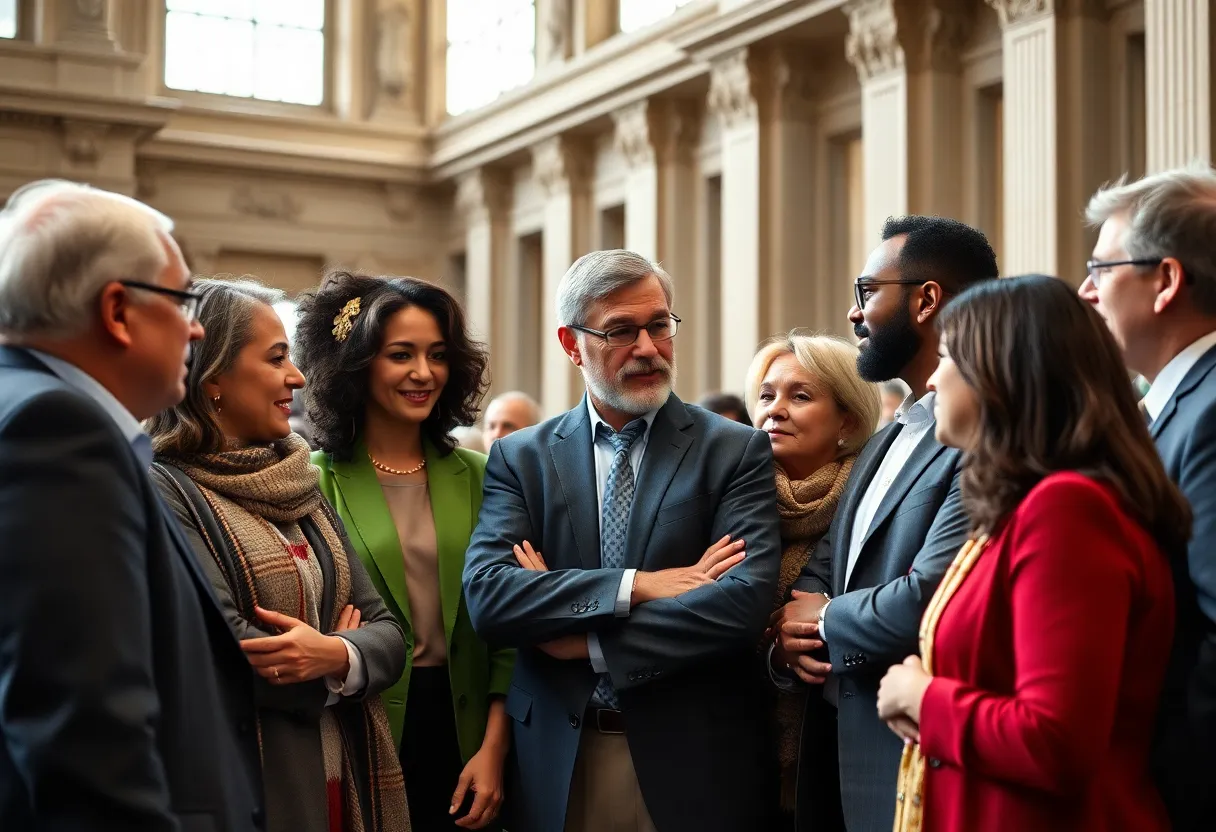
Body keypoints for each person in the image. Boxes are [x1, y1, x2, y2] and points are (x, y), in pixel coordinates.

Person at [462, 249, 783, 832]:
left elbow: (740, 603)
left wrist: (580, 640)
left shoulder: (733, 450)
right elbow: (490, 597)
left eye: (659, 325)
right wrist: (639, 586)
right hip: (559, 759)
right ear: (570, 343)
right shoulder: (520, 458)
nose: (647, 348)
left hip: (694, 759)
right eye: (621, 331)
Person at [0, 180, 264, 830]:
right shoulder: (57, 428)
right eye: (183, 299)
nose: (197, 326)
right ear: (117, 311)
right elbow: (85, 726)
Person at [877, 275, 1184, 831]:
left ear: (1001, 375)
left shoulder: (1067, 510)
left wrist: (923, 697)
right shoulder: (1030, 505)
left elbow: (1056, 740)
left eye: (947, 356)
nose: (933, 382)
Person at [146, 278, 410, 832]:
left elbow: (388, 633)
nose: (298, 376)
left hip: (345, 775)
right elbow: (224, 648)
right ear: (214, 377)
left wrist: (333, 654)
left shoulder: (299, 479)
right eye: (276, 358)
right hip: (254, 786)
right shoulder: (162, 487)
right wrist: (339, 658)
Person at [771, 216, 998, 832]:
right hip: (832, 755)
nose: (853, 313)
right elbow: (824, 568)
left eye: (867, 291)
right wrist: (788, 631)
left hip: (914, 759)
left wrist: (820, 619)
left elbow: (930, 596)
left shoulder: (984, 437)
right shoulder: (884, 439)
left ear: (926, 301)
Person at [297, 272, 514, 831]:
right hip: (360, 720)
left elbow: (510, 632)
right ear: (358, 363)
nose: (424, 373)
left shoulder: (483, 474)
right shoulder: (314, 482)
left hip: (470, 726)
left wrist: (494, 750)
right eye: (401, 354)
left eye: (438, 354)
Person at [1080, 164, 1216, 831]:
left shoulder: (1211, 412)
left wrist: (1166, 785)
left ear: (1164, 281)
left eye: (1102, 268)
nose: (1085, 290)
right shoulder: (1171, 408)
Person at [746, 332, 879, 826]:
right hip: (738, 762)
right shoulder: (726, 501)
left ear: (847, 419)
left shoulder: (874, 502)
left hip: (841, 765)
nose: (775, 410)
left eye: (799, 396)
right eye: (766, 395)